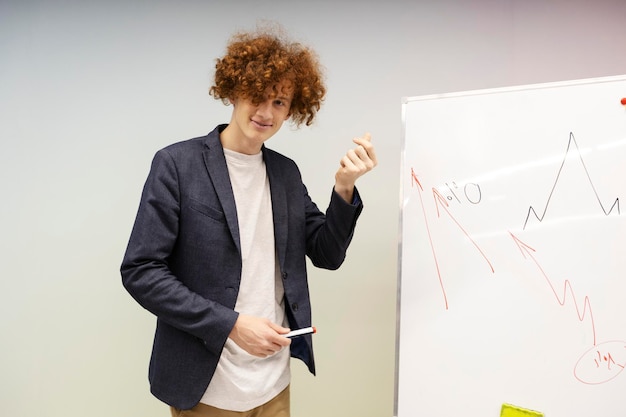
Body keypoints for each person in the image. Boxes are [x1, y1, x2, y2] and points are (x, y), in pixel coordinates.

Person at [120, 24, 377, 417]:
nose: (265, 112)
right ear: (234, 89)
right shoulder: (177, 165)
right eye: (257, 95)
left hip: (274, 385)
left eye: (279, 102)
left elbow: (326, 253)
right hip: (206, 389)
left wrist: (344, 188)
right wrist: (232, 325)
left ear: (292, 109)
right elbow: (141, 271)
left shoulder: (286, 173)